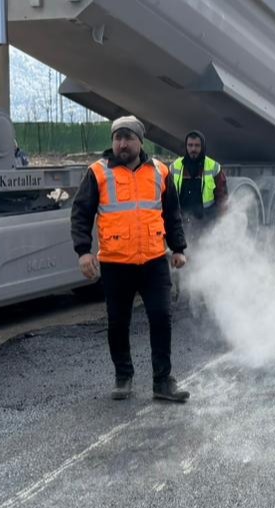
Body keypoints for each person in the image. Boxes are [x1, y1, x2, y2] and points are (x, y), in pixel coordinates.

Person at [70, 116, 191, 403]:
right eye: (117, 138)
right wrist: (83, 251)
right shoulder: (98, 173)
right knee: (118, 322)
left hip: (153, 260)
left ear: (140, 141)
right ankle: (123, 376)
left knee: (161, 318)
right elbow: (81, 213)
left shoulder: (161, 171)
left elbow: (171, 213)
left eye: (128, 138)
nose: (122, 144)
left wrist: (178, 249)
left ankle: (163, 381)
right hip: (115, 263)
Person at [171, 130, 226, 233]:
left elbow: (222, 198)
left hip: (206, 223)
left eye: (197, 145)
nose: (193, 149)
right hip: (181, 222)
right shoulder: (175, 166)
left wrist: (221, 224)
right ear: (186, 146)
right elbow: (167, 197)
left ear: (203, 147)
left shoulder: (214, 167)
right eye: (190, 145)